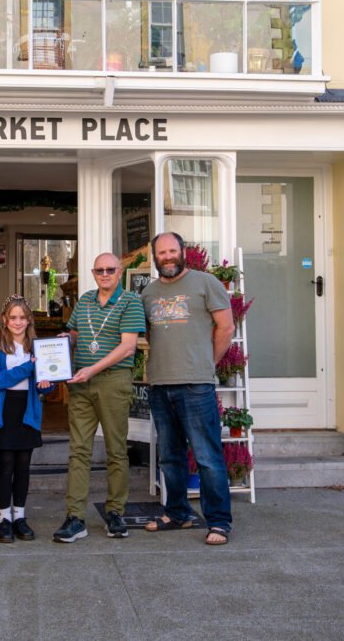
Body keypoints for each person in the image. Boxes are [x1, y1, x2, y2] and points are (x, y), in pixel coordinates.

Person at [140, 232, 235, 546]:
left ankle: (219, 522)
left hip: (196, 385)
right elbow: (146, 336)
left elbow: (226, 326)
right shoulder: (148, 293)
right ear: (154, 256)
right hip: (159, 384)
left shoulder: (206, 283)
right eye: (161, 253)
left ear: (183, 252)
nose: (167, 257)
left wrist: (208, 362)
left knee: (207, 456)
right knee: (170, 456)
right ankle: (177, 512)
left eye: (171, 251)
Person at [52, 252, 145, 543]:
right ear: (93, 273)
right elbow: (76, 334)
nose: (104, 274)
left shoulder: (130, 302)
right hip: (81, 382)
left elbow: (127, 347)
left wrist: (92, 368)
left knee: (116, 450)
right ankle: (75, 517)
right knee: (78, 450)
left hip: (112, 380)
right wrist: (59, 343)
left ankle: (115, 512)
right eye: (99, 270)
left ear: (120, 272)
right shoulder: (85, 300)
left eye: (110, 270)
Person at [0, 295, 54, 543]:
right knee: (5, 466)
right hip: (5, 412)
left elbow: (46, 384)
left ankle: (20, 516)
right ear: (4, 319)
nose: (17, 322)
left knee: (24, 466)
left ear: (29, 320)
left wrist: (46, 384)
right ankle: (4, 518)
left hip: (28, 410)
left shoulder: (36, 346)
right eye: (13, 317)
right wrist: (27, 368)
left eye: (22, 317)